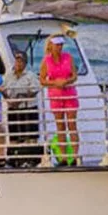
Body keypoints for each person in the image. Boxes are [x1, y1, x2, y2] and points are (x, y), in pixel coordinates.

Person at [40, 36, 79, 166]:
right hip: (55, 95)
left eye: (61, 45)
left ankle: (74, 156)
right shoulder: (46, 60)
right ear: (51, 45)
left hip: (69, 94)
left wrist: (66, 81)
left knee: (72, 124)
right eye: (57, 45)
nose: (59, 47)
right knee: (60, 126)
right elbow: (42, 80)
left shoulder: (68, 57)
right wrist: (54, 83)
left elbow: (74, 75)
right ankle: (63, 157)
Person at [3, 50, 41, 165]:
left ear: (25, 63)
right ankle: (15, 158)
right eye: (17, 61)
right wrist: (9, 100)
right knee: (14, 135)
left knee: (30, 135)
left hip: (28, 107)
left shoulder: (31, 75)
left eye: (21, 61)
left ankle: (31, 158)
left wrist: (21, 97)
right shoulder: (8, 76)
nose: (19, 64)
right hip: (13, 108)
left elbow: (35, 90)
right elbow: (4, 89)